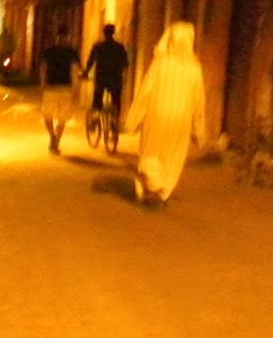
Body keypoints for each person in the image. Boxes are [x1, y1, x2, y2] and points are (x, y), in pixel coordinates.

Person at [125, 20, 206, 206]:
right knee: (173, 157)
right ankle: (162, 192)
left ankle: (147, 187)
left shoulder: (161, 62)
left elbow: (145, 91)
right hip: (181, 119)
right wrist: (199, 129)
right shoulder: (195, 68)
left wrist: (133, 119)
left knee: (150, 153)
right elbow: (199, 101)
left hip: (156, 116)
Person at [39, 27, 82, 154]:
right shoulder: (72, 52)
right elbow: (76, 70)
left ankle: (53, 137)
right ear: (67, 36)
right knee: (62, 117)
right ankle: (56, 141)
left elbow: (43, 68)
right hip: (65, 88)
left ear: (57, 36)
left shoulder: (49, 51)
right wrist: (76, 87)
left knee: (47, 114)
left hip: (51, 87)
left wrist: (42, 83)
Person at [84, 22, 129, 130]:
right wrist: (124, 76)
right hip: (115, 78)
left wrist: (86, 73)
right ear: (113, 33)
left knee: (97, 99)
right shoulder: (119, 47)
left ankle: (95, 119)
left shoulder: (98, 47)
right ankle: (114, 122)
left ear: (104, 33)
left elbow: (91, 61)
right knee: (116, 101)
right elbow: (126, 63)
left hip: (101, 78)